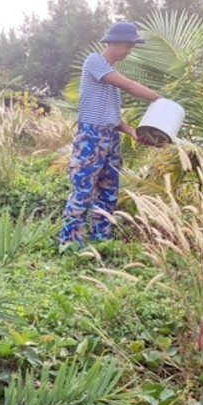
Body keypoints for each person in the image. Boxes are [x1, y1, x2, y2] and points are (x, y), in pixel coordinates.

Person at [58, 21, 162, 249]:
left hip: (110, 137)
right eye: (128, 46)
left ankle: (101, 241)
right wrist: (160, 100)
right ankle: (69, 243)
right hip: (91, 137)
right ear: (114, 43)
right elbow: (129, 85)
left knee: (108, 191)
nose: (129, 51)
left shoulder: (111, 76)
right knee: (83, 190)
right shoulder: (95, 62)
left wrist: (133, 132)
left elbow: (112, 116)